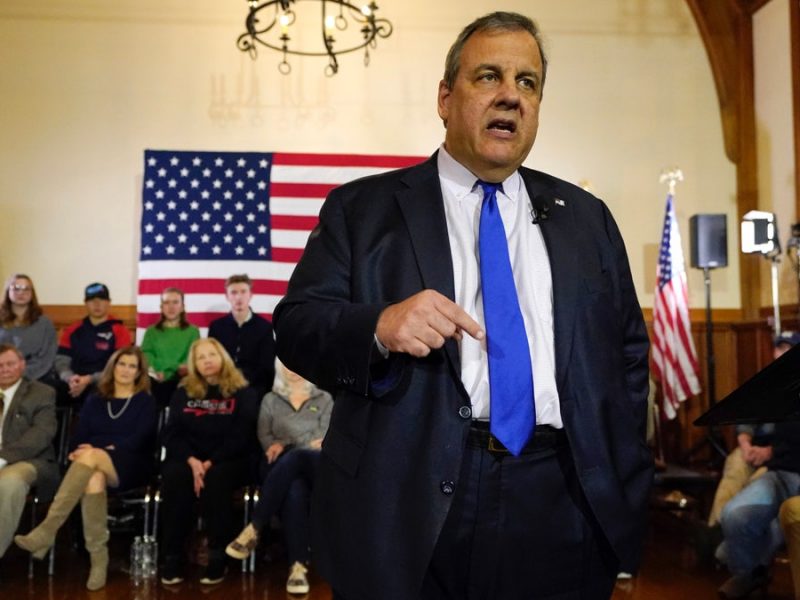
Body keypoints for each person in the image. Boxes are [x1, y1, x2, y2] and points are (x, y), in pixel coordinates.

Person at [272, 11, 651, 600]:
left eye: (527, 82)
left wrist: (623, 471)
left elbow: (627, 353)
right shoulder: (362, 210)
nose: (511, 95)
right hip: (410, 501)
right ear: (445, 98)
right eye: (489, 76)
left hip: (563, 498)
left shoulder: (587, 218)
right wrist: (379, 325)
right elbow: (297, 327)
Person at [15, 346, 157, 590]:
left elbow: (141, 438)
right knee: (93, 479)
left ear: (139, 372)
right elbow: (80, 436)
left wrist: (102, 449)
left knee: (91, 456)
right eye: (122, 364)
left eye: (132, 366)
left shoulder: (145, 401)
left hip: (132, 463)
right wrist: (82, 451)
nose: (125, 370)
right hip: (93, 462)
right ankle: (98, 559)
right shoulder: (95, 399)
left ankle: (48, 529)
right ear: (113, 367)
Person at [226, 359, 332, 595]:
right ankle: (297, 568)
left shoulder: (324, 399)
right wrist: (292, 445)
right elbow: (264, 435)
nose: (293, 369)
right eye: (287, 364)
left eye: (298, 362)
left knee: (299, 456)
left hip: (315, 466)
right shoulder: (270, 399)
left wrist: (286, 445)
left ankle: (255, 526)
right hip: (277, 465)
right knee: (294, 488)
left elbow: (324, 437)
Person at [160, 338, 258, 586]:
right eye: (200, 357)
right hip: (189, 459)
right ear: (194, 364)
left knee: (217, 478)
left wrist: (210, 462)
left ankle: (218, 556)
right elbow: (171, 434)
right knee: (174, 476)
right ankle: (172, 555)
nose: (207, 361)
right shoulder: (183, 392)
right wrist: (193, 461)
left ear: (222, 357)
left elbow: (242, 434)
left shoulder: (243, 391)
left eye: (212, 355)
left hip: (230, 459)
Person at [706, 333, 800, 528]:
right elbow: (745, 421)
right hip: (754, 448)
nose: (783, 354)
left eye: (788, 349)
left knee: (756, 483)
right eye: (780, 348)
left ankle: (738, 528)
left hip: (780, 458)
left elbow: (792, 441)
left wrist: (769, 452)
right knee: (735, 465)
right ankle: (717, 526)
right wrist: (745, 445)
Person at [717, 418, 800, 598]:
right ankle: (749, 574)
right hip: (780, 473)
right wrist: (750, 444)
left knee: (784, 522)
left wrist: (771, 451)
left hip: (784, 470)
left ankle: (744, 561)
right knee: (733, 515)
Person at [0, 344, 58, 562]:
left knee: (9, 482)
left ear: (22, 365)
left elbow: (41, 435)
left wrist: (3, 458)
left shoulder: (41, 393)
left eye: (10, 364)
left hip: (30, 461)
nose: (5, 369)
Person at [54, 283, 132, 403]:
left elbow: (121, 366)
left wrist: (89, 379)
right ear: (85, 303)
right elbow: (61, 361)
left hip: (104, 382)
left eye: (101, 299)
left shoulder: (120, 330)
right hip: (73, 381)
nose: (97, 304)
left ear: (109, 302)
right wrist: (70, 378)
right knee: (48, 392)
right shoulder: (72, 330)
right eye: (92, 300)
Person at [208, 274, 275, 400]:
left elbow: (266, 365)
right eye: (234, 292)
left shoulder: (265, 327)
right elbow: (213, 360)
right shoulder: (216, 327)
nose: (238, 297)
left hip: (254, 388)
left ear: (250, 295)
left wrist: (241, 382)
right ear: (227, 296)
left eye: (243, 292)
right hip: (222, 387)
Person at [141, 287, 200, 407]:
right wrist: (159, 370)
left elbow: (191, 357)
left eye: (175, 302)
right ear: (161, 307)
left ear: (182, 307)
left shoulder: (193, 331)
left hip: (181, 379)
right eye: (166, 303)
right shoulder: (151, 331)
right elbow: (146, 355)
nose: (171, 307)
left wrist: (169, 371)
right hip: (156, 377)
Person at [0, 274, 57, 383]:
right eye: (16, 288)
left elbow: (47, 358)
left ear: (32, 293)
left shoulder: (45, 323)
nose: (21, 293)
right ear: (8, 291)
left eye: (26, 289)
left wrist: (20, 375)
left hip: (36, 378)